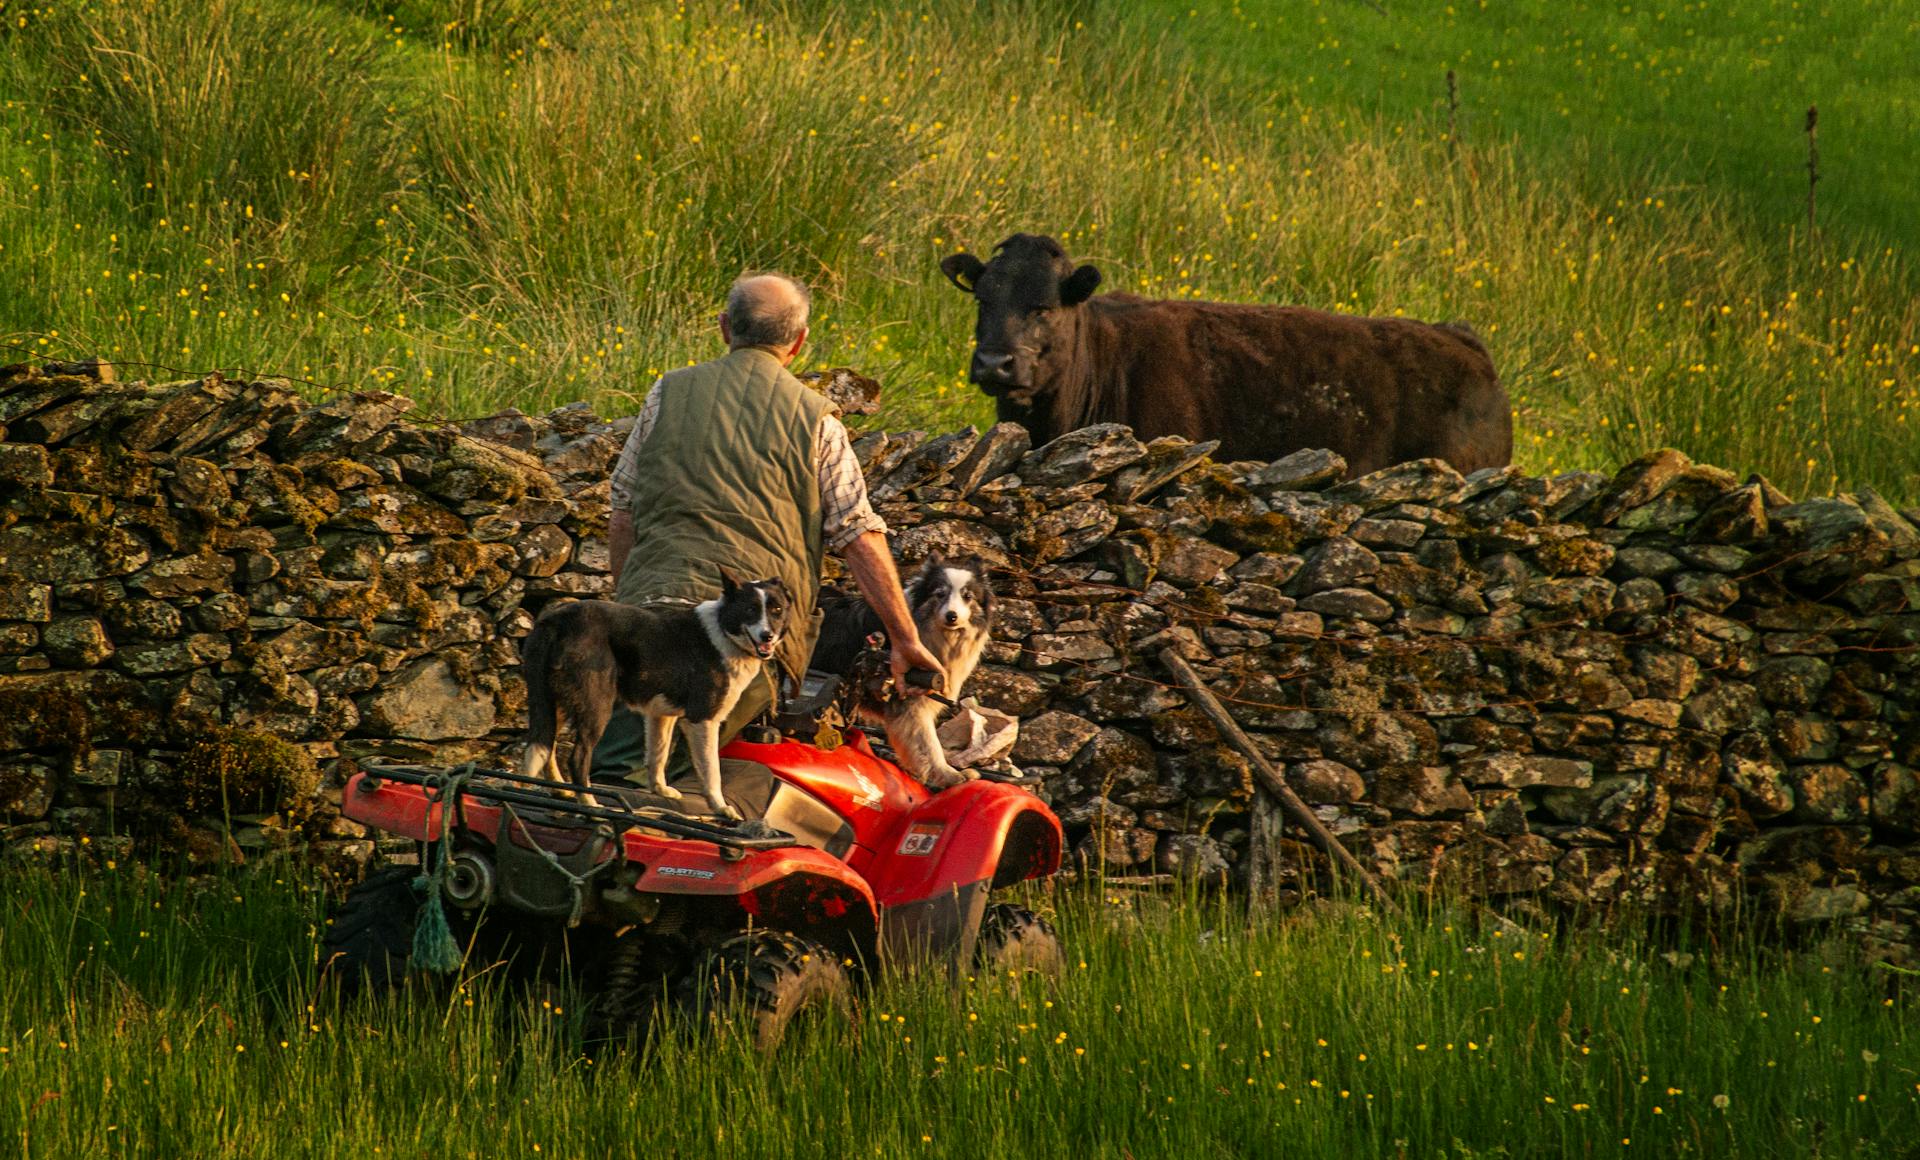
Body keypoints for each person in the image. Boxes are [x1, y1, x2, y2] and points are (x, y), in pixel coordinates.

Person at [591, 272, 943, 780]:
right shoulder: (818, 419)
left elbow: (623, 508)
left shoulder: (668, 394)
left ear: (723, 328)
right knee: (643, 775)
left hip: (643, 618)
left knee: (623, 760)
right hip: (739, 636)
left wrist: (629, 601)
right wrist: (905, 638)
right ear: (798, 343)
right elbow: (857, 535)